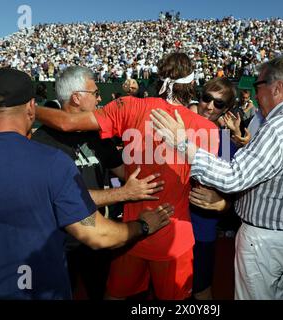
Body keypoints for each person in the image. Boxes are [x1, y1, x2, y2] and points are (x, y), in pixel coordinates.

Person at [0, 68, 173, 300]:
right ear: (30, 106)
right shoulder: (49, 160)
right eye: (95, 92)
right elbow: (96, 233)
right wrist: (143, 226)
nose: (99, 98)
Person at [35, 52, 219, 300]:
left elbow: (69, 123)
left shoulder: (129, 106)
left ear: (158, 77)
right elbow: (209, 186)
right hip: (174, 234)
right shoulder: (207, 128)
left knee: (116, 296)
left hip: (130, 232)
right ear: (191, 83)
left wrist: (29, 109)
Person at [151, 55, 283, 300]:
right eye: (206, 98)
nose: (255, 96)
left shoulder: (277, 128)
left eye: (258, 87)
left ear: (276, 87)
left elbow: (234, 178)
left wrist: (183, 144)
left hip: (265, 240)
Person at [32, 66, 165, 299]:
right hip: (62, 242)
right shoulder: (43, 140)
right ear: (76, 96)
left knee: (102, 290)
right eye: (94, 93)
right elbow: (62, 198)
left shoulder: (97, 135)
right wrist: (124, 194)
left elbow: (124, 170)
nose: (100, 97)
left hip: (101, 233)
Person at [188, 78, 236, 300]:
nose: (209, 106)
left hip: (201, 230)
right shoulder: (176, 130)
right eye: (206, 98)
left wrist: (224, 203)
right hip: (166, 225)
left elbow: (238, 193)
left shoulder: (226, 143)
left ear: (225, 109)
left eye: (218, 103)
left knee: (200, 289)